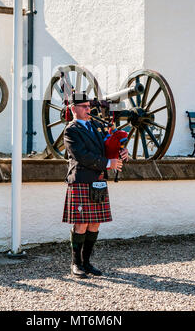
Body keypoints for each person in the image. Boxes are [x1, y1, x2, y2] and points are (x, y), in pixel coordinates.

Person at [62, 92, 129, 278]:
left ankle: (87, 262)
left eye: (88, 106)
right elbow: (82, 156)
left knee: (95, 222)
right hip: (82, 178)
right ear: (73, 109)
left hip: (98, 179)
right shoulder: (71, 130)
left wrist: (121, 152)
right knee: (81, 223)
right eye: (83, 106)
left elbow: (109, 145)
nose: (87, 109)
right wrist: (109, 164)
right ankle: (76, 264)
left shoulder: (97, 126)